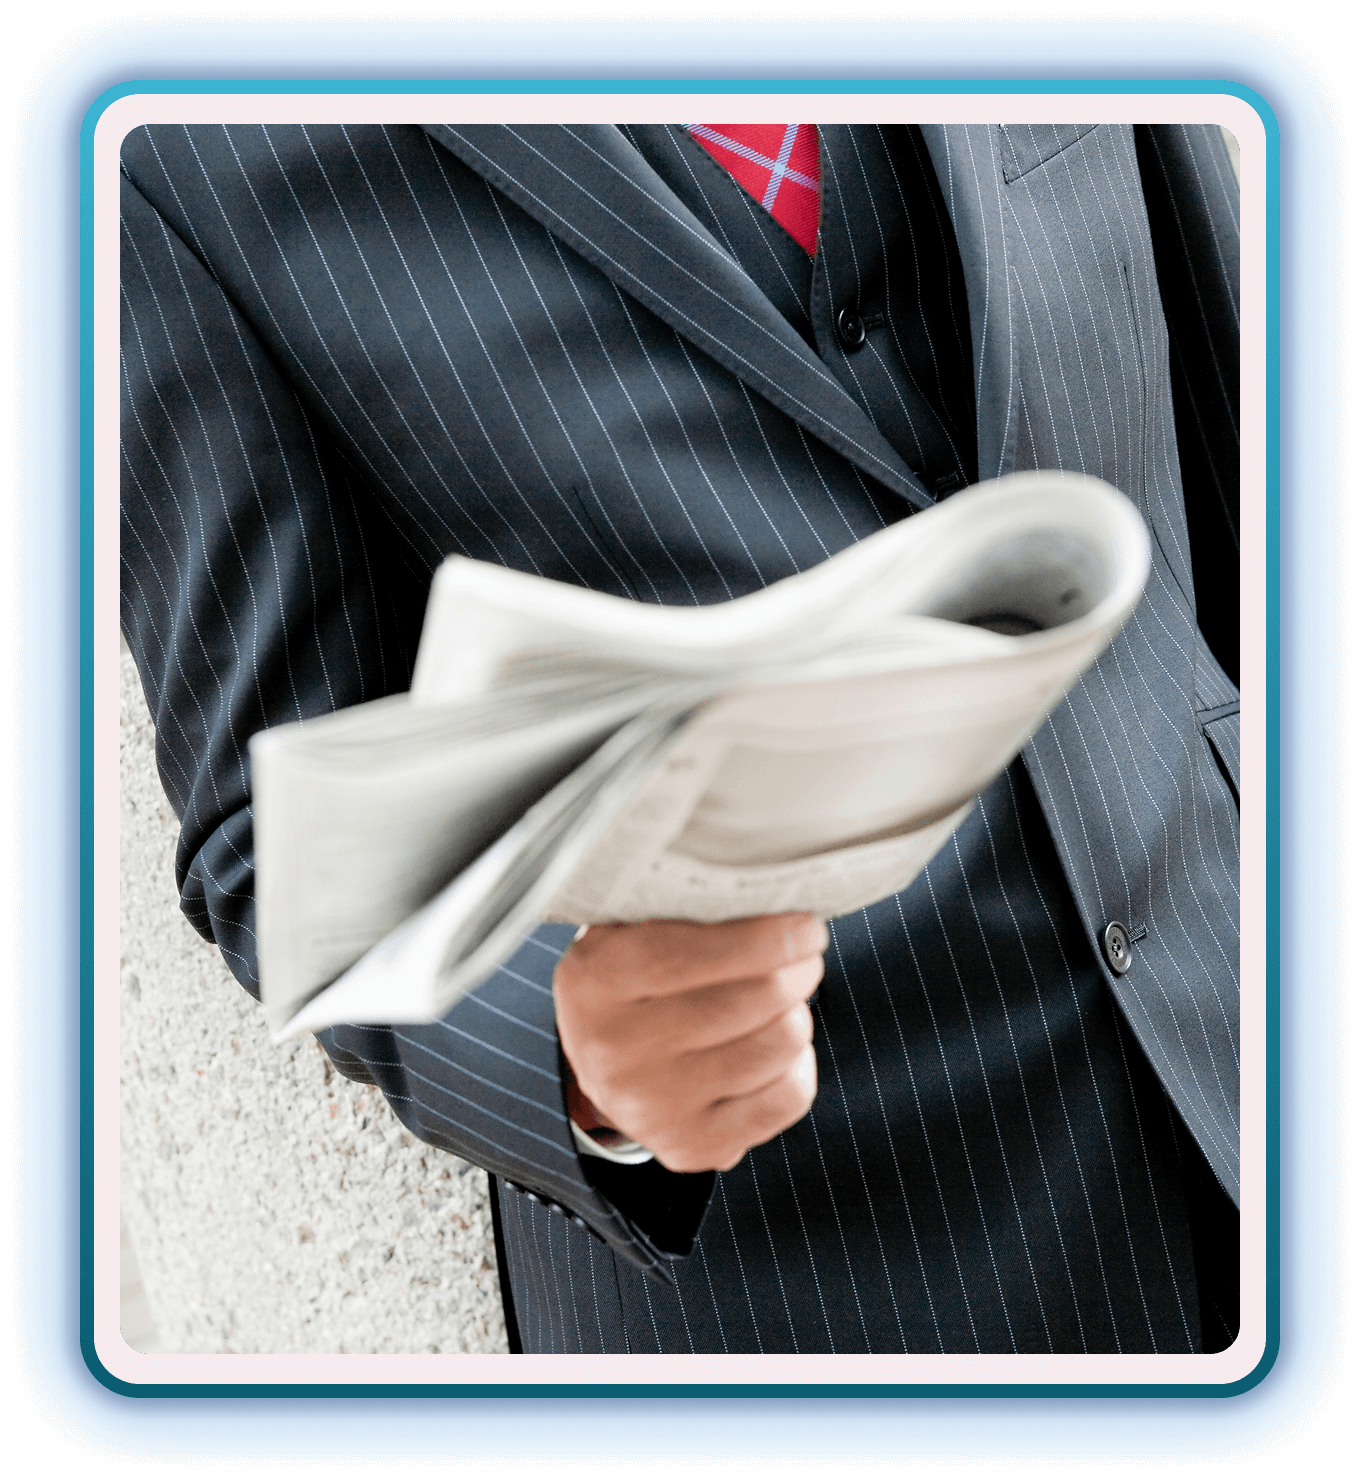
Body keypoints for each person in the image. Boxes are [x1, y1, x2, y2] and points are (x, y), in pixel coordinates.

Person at [119, 120, 1241, 1354]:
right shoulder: (163, 136)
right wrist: (577, 1055)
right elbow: (268, 836)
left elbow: (1238, 417)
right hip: (818, 1283)